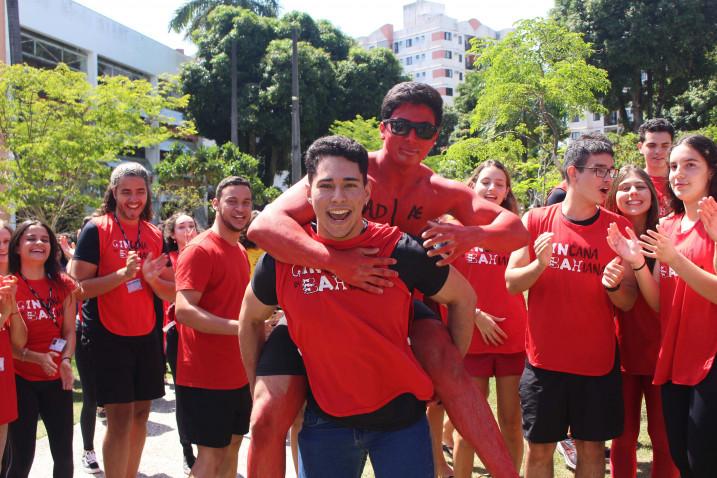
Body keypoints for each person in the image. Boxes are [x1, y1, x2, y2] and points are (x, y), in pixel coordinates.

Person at [246, 82, 525, 478]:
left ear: (436, 137)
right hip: (320, 301)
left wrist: (472, 234)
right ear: (383, 128)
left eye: (424, 130)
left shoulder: (438, 189)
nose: (412, 138)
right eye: (401, 126)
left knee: (449, 367)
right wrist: (335, 263)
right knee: (266, 417)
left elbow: (516, 230)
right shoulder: (347, 170)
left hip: (399, 305)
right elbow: (264, 225)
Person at [239, 135, 477, 478]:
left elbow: (463, 297)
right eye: (327, 185)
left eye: (350, 185)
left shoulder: (398, 251)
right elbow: (249, 318)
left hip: (401, 424)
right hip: (326, 424)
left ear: (367, 193)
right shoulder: (282, 258)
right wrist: (254, 384)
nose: (338, 197)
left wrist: (448, 373)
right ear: (308, 194)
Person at [505, 138, 638, 478]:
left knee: (592, 451)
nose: (607, 178)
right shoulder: (536, 219)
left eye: (611, 170)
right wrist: (539, 266)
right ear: (573, 174)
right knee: (539, 451)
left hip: (596, 365)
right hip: (544, 363)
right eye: (598, 170)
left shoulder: (618, 227)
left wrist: (612, 287)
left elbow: (628, 300)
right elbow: (512, 282)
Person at [608, 135, 717, 478]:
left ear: (711, 171)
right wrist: (639, 263)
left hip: (710, 361)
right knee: (681, 459)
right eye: (673, 166)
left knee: (704, 461)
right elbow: (660, 303)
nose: (678, 173)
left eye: (690, 165)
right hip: (672, 361)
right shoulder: (667, 226)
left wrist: (674, 259)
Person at [71, 162, 174, 478]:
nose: (133, 199)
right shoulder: (96, 228)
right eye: (126, 191)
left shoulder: (155, 233)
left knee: (142, 414)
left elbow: (172, 291)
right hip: (106, 336)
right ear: (113, 192)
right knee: (119, 417)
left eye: (140, 192)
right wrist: (121, 275)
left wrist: (151, 279)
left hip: (146, 335)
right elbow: (76, 289)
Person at [174, 177, 253, 478]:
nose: (240, 208)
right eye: (232, 201)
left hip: (237, 372)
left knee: (232, 446)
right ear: (216, 204)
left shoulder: (240, 250)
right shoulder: (200, 250)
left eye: (246, 202)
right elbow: (184, 310)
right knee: (210, 456)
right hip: (204, 376)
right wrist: (241, 327)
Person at [452, 161, 526, 477]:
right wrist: (475, 315)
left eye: (500, 184)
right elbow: (444, 284)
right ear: (473, 185)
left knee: (511, 422)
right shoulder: (453, 228)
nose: (492, 189)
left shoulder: (514, 229)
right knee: (470, 425)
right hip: (470, 336)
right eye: (486, 182)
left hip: (512, 337)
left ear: (507, 191)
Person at [604, 166, 679, 478]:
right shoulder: (604, 233)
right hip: (617, 349)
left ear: (652, 193)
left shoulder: (666, 233)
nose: (632, 193)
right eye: (625, 188)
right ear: (613, 196)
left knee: (664, 439)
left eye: (640, 187)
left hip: (663, 349)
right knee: (622, 437)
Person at [6, 220, 76, 478]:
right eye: (31, 238)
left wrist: (66, 360)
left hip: (57, 379)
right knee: (22, 458)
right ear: (17, 247)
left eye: (45, 240)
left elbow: (69, 331)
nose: (39, 244)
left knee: (64, 457)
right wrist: (34, 358)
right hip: (20, 379)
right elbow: (8, 345)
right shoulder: (7, 287)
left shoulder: (63, 284)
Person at [162, 211, 199, 473]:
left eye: (192, 225)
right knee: (185, 397)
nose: (187, 230)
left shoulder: (205, 254)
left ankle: (209, 445)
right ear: (172, 235)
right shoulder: (167, 261)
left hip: (206, 334)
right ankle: (187, 450)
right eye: (181, 227)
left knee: (207, 394)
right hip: (177, 333)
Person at [0, 222, 27, 470]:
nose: (1, 247)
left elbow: (18, 342)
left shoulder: (16, 282)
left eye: (7, 241)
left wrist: (12, 308)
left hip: (5, 378)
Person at [638, 119, 675, 217]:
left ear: (673, 147)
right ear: (640, 147)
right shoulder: (632, 183)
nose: (658, 151)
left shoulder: (683, 180)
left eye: (665, 146)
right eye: (652, 145)